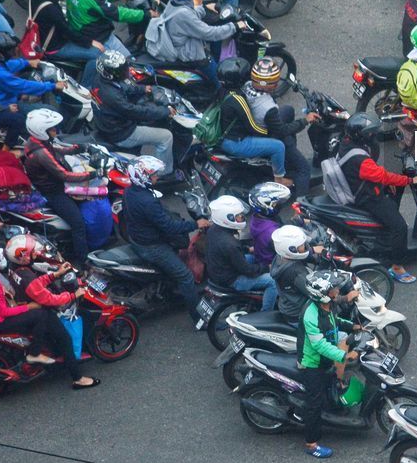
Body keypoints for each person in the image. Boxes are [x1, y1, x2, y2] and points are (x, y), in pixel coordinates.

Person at [0, 245, 98, 388]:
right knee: (60, 334)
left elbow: (33, 285)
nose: (1, 260)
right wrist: (72, 295)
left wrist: (54, 275)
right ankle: (76, 377)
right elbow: (7, 311)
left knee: (41, 314)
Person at [336, 112, 417, 284]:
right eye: (370, 133)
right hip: (367, 196)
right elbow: (383, 176)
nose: (373, 135)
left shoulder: (347, 143)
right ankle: (397, 267)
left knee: (394, 191)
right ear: (362, 136)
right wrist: (411, 180)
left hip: (360, 183)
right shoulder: (361, 160)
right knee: (399, 227)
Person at [123, 156, 207, 317]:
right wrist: (196, 224)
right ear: (142, 177)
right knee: (186, 276)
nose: (157, 177)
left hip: (137, 237)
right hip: (151, 247)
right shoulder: (147, 201)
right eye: (153, 175)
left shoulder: (130, 191)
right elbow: (169, 227)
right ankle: (199, 319)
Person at [22, 108, 98, 265]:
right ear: (42, 131)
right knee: (78, 225)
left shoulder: (35, 141)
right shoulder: (41, 153)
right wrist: (92, 174)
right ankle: (82, 262)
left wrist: (79, 148)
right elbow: (65, 175)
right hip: (53, 192)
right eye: (51, 128)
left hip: (48, 184)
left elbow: (57, 150)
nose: (55, 130)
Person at [299, 271, 360, 458]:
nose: (337, 291)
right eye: (333, 289)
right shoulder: (310, 315)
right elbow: (319, 345)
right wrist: (344, 355)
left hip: (324, 361)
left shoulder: (327, 305)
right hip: (312, 363)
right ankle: (311, 444)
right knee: (314, 403)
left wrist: (352, 326)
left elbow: (335, 322)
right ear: (323, 293)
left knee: (330, 385)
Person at [64, 0, 148, 82]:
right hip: (99, 37)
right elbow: (117, 13)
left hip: (78, 28)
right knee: (129, 65)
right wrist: (145, 15)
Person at [92, 50, 178, 174]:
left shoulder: (101, 79)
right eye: (121, 70)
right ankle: (162, 173)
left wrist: (143, 89)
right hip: (121, 133)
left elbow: (124, 86)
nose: (125, 71)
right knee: (166, 137)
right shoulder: (113, 96)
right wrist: (164, 111)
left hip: (107, 122)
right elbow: (136, 112)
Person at [156, 0, 237, 95]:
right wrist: (235, 26)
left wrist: (202, 7)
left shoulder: (173, 3)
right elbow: (209, 33)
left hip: (184, 42)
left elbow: (191, 13)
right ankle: (223, 98)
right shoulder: (183, 15)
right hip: (194, 56)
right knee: (223, 83)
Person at [215, 57, 293, 189]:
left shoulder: (223, 90)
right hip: (235, 142)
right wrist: (271, 133)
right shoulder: (238, 100)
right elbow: (252, 126)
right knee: (278, 146)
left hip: (224, 133)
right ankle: (279, 179)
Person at [242, 56, 314, 196]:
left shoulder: (247, 86)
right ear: (267, 85)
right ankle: (301, 210)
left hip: (255, 124)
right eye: (274, 83)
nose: (276, 85)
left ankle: (289, 156)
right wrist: (305, 121)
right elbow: (281, 130)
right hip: (269, 133)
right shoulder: (268, 108)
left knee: (287, 110)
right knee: (304, 169)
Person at [205, 195, 278, 314]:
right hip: (232, 279)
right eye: (238, 216)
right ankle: (266, 314)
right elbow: (247, 270)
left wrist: (247, 250)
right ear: (227, 218)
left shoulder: (214, 230)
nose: (242, 218)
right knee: (272, 281)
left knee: (253, 257)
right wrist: (267, 267)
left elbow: (229, 253)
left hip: (220, 269)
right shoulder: (230, 244)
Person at [20, 0, 84, 61]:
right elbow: (67, 31)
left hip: (41, 37)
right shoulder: (51, 9)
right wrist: (89, 42)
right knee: (95, 54)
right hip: (55, 48)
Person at [0, 31, 62, 108]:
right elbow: (24, 85)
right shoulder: (0, 75)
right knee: (51, 109)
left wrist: (27, 62)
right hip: (5, 105)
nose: (11, 53)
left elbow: (8, 64)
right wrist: (52, 86)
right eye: (8, 51)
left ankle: (23, 97)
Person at [270, 224, 318, 322]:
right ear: (291, 249)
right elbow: (315, 292)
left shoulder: (280, 257)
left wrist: (312, 253)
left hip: (288, 305)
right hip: (299, 313)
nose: (305, 247)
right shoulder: (295, 271)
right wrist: (343, 298)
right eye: (301, 246)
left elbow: (301, 254)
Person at [248, 181, 291, 271]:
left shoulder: (256, 217)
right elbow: (288, 248)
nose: (279, 205)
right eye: (276, 204)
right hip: (274, 264)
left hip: (262, 255)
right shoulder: (271, 232)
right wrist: (312, 251)